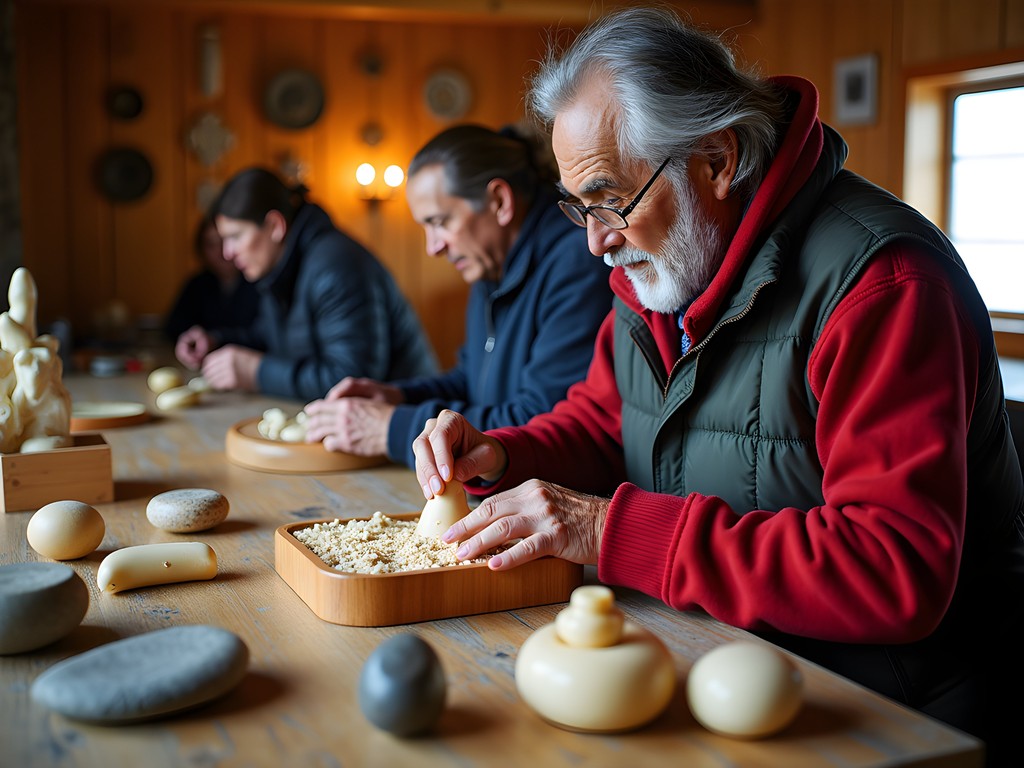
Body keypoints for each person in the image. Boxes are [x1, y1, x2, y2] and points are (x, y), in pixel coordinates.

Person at [412, 8, 1024, 766]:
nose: (596, 240)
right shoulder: (662, 265)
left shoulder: (882, 286)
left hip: (887, 710)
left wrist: (610, 531)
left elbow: (891, 567)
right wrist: (499, 456)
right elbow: (608, 425)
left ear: (716, 160)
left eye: (611, 199)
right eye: (580, 206)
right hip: (708, 650)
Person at [302, 124, 612, 467]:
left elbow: (538, 421)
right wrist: (398, 396)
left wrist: (392, 427)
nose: (433, 247)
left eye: (440, 222)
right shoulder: (491, 266)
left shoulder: (578, 261)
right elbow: (472, 381)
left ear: (499, 201)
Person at [174, 167, 438, 401]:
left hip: (412, 434)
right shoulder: (282, 265)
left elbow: (352, 382)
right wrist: (216, 341)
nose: (227, 253)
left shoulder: (337, 266)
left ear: (275, 226)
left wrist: (256, 372)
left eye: (235, 237)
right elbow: (271, 336)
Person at [164, 216, 259, 342]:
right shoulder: (197, 285)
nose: (223, 252)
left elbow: (263, 335)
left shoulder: (260, 283)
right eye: (211, 245)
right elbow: (174, 327)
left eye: (225, 240)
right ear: (202, 250)